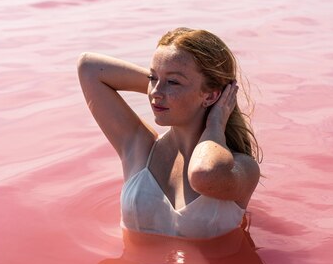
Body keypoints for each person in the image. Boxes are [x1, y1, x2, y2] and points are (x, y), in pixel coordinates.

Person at [77, 27, 261, 239]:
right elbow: (89, 67)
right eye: (152, 77)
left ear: (211, 96)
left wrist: (216, 123)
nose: (155, 91)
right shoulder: (140, 147)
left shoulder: (242, 168)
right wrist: (165, 87)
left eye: (173, 82)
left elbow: (203, 174)